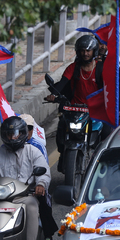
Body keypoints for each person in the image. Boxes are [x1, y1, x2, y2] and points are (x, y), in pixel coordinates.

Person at [44, 34, 104, 169]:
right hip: (75, 109)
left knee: (107, 134)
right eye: (82, 50)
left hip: (96, 110)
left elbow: (109, 88)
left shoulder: (101, 68)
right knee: (61, 129)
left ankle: (103, 164)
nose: (85, 53)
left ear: (94, 51)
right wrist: (53, 94)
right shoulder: (73, 67)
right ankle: (63, 155)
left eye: (88, 50)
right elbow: (63, 82)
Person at [19, 114, 58, 240]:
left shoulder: (37, 147)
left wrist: (40, 184)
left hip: (32, 189)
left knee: (43, 204)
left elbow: (44, 168)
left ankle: (48, 237)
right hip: (12, 190)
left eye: (28, 128)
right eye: (22, 129)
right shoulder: (5, 148)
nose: (26, 132)